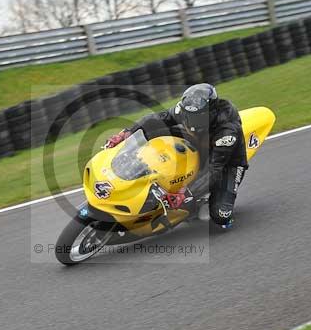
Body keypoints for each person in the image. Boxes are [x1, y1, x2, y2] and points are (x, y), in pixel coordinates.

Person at [104, 83, 247, 229]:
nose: (190, 121)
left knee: (220, 216)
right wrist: (124, 134)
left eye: (196, 117)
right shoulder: (184, 111)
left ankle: (206, 205)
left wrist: (183, 194)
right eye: (188, 116)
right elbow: (153, 118)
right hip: (199, 141)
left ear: (210, 113)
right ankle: (135, 163)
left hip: (226, 162)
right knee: (153, 130)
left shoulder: (227, 132)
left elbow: (214, 169)